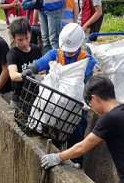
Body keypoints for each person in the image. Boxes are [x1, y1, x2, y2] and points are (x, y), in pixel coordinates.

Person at [23, 23, 96, 166]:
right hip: (53, 102)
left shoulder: (88, 60)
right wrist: (33, 68)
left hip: (74, 107)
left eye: (72, 51)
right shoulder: (56, 54)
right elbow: (43, 61)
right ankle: (53, 152)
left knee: (77, 132)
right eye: (66, 50)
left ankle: (77, 162)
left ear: (80, 44)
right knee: (47, 125)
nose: (68, 53)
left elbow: (77, 77)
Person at [7, 18, 42, 109]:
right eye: (20, 40)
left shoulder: (36, 49)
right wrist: (29, 75)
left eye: (27, 38)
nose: (25, 43)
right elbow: (13, 75)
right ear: (13, 38)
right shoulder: (12, 54)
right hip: (19, 98)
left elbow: (42, 70)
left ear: (30, 33)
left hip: (36, 96)